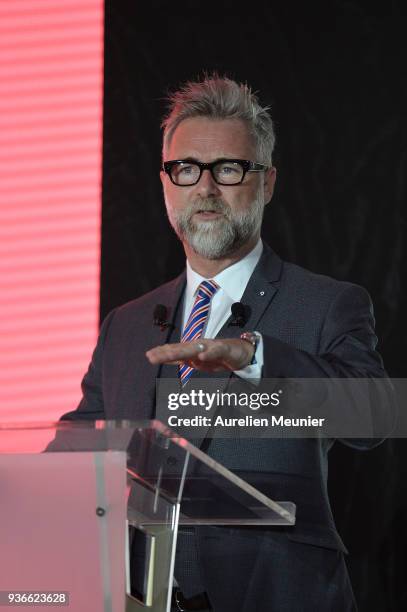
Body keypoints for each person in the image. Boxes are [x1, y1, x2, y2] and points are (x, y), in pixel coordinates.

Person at [61, 75, 388, 611]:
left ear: (268, 182)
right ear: (166, 182)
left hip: (277, 595)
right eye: (187, 169)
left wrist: (257, 358)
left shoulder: (327, 304)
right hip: (143, 593)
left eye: (229, 169)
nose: (205, 189)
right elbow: (82, 448)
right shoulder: (126, 323)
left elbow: (374, 416)